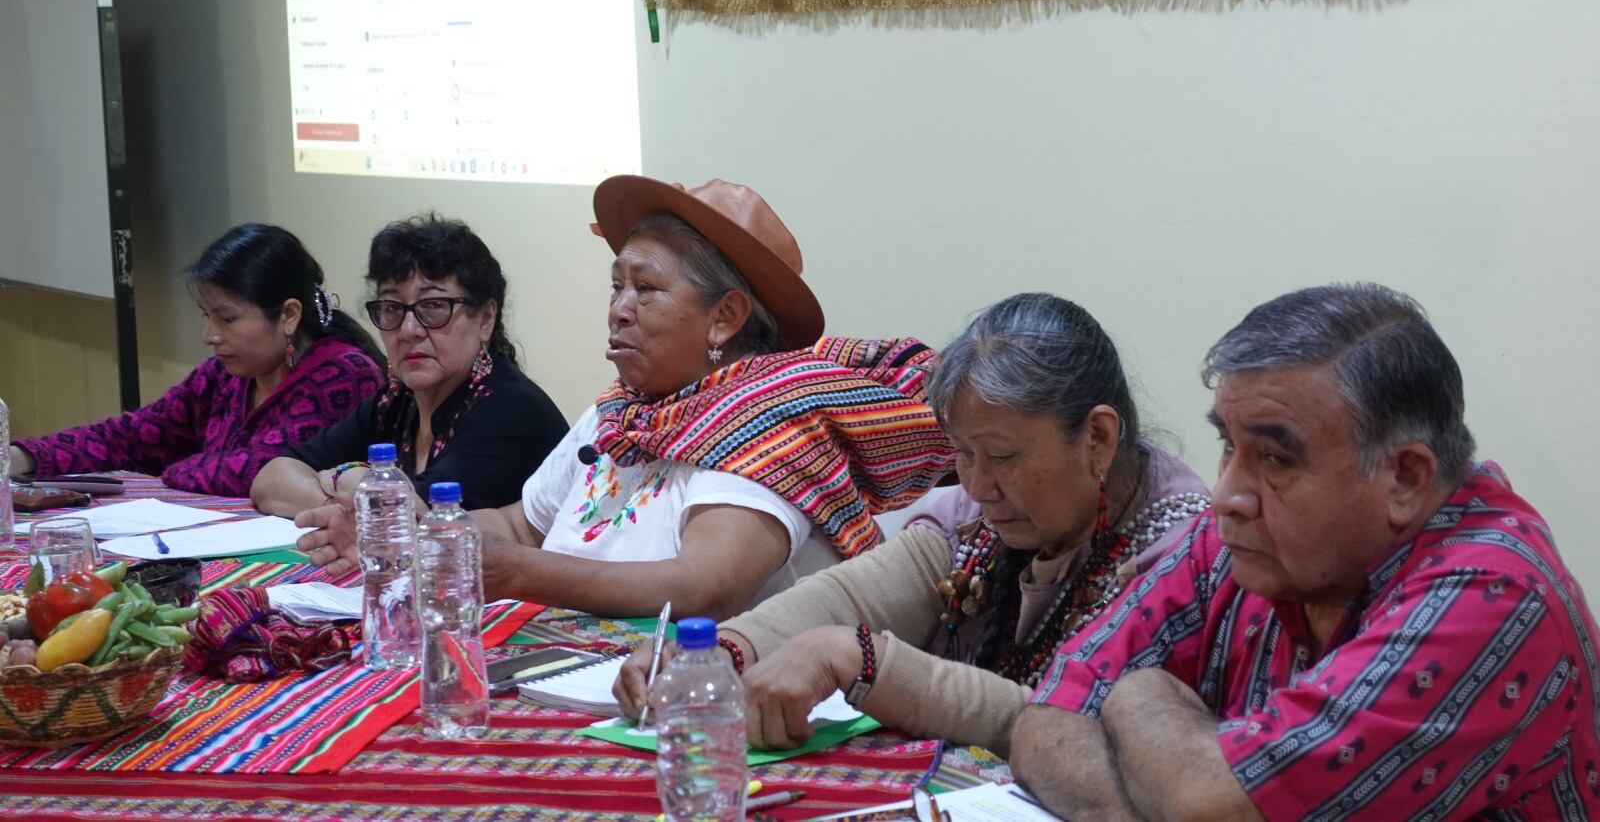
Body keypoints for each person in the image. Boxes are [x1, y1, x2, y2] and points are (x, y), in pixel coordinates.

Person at [1011, 284, 1600, 822]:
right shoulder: (1237, 540)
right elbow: (1045, 723)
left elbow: (1212, 805)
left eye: (1275, 459)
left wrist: (1140, 692)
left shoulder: (1495, 596)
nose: (1224, 496)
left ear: (1405, 479)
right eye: (1227, 445)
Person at [294, 176, 954, 620]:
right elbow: (522, 526)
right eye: (615, 287)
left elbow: (702, 586)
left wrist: (520, 573)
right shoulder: (621, 413)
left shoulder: (771, 421)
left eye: (646, 290)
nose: (618, 311)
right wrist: (416, 533)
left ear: (724, 317)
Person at [613, 293, 1209, 754]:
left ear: (1098, 438)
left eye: (1002, 457)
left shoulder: (1184, 552)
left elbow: (1077, 723)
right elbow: (852, 596)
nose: (976, 486)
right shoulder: (976, 523)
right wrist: (720, 652)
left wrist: (862, 661)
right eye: (962, 454)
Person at [6, 223, 384, 497]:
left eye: (228, 318)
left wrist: (173, 468)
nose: (210, 336)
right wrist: (24, 456)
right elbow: (134, 434)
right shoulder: (226, 373)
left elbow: (259, 469)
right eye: (207, 317)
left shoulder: (346, 375)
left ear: (288, 315)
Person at [250, 214, 568, 513]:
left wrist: (342, 477)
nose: (408, 331)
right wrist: (339, 502)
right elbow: (270, 479)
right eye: (391, 308)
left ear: (485, 318)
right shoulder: (395, 402)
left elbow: (412, 512)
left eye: (433, 306)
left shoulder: (511, 411)